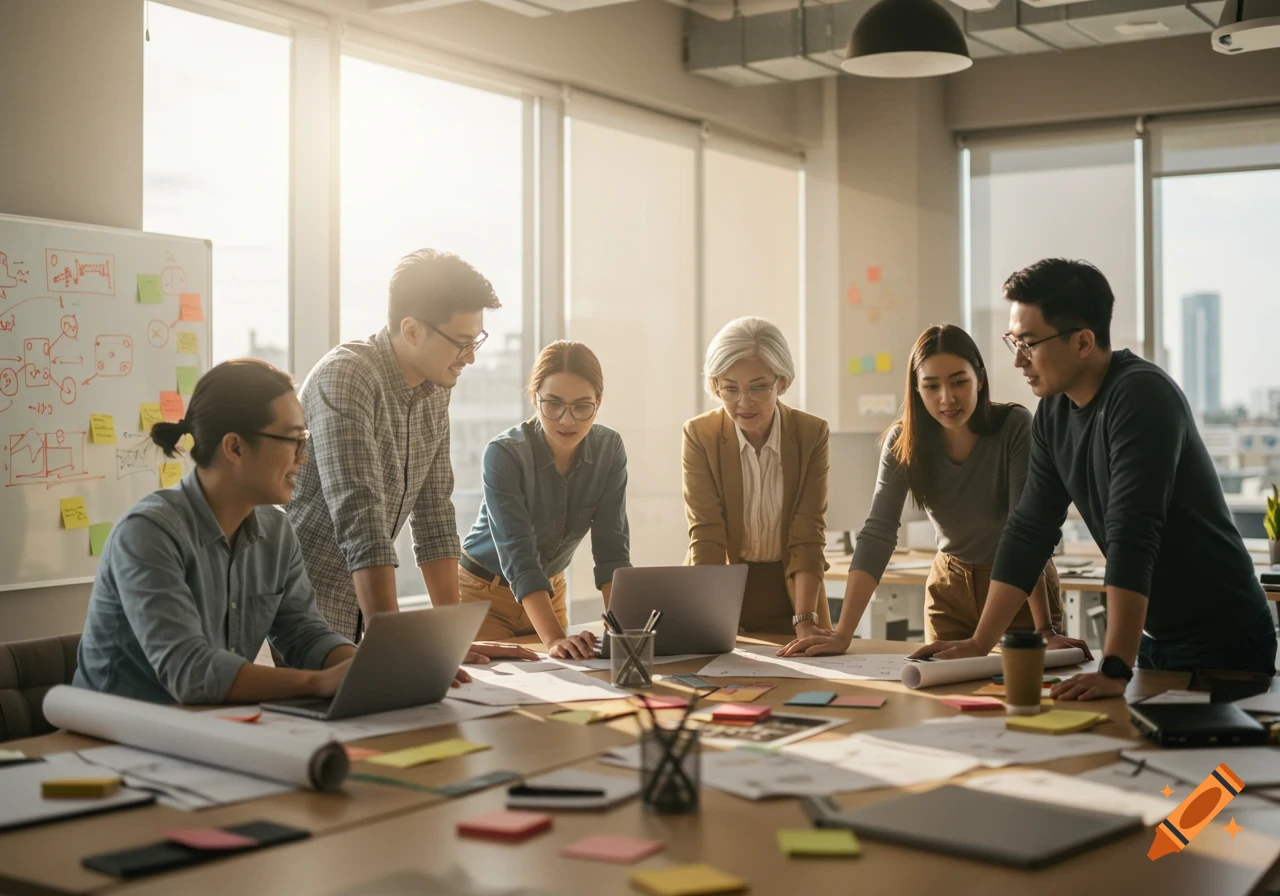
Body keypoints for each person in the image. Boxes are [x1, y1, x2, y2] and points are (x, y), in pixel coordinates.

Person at [913, 259, 1276, 698]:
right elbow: (1029, 530)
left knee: (1217, 769)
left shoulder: (1141, 396)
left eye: (1028, 342)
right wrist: (979, 642)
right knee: (1141, 757)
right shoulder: (1054, 411)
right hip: (1155, 640)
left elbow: (1132, 534)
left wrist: (1115, 667)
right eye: (1013, 341)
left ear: (1084, 341)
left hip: (1224, 640)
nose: (1017, 360)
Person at [287, 249, 535, 667]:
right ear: (412, 329)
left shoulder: (436, 385)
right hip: (302, 607)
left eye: (476, 341)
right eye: (461, 342)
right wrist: (395, 647)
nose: (471, 357)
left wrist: (451, 636)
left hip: (363, 607)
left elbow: (434, 511)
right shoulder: (347, 376)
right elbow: (360, 517)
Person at [781, 324, 1084, 658]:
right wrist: (842, 635)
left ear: (979, 379)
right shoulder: (902, 441)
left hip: (1019, 590)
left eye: (959, 382)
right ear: (916, 388)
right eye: (931, 385)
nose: (947, 398)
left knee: (1023, 699)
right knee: (945, 698)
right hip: (949, 591)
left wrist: (1044, 629)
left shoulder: (1013, 426)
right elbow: (879, 531)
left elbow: (1024, 533)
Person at [74, 360, 356, 705]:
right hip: (111, 739)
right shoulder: (147, 534)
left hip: (211, 726)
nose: (303, 458)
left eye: (304, 440)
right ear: (235, 447)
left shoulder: (277, 531)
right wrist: (317, 683)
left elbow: (304, 634)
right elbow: (190, 672)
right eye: (293, 440)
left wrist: (370, 668)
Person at [459, 341, 630, 659]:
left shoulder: (610, 449)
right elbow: (518, 553)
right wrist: (553, 639)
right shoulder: (504, 453)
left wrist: (622, 634)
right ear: (534, 398)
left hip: (549, 593)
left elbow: (612, 551)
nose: (567, 420)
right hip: (483, 596)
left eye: (582, 406)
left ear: (599, 401)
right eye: (553, 405)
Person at [683, 316, 834, 637]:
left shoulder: (811, 433)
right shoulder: (700, 435)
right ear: (715, 386)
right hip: (721, 587)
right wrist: (713, 615)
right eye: (730, 389)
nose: (743, 402)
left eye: (758, 387)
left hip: (795, 595)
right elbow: (707, 534)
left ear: (781, 382)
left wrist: (805, 620)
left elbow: (808, 532)